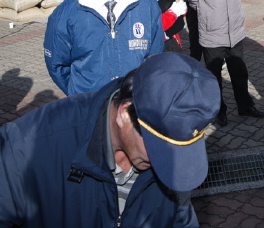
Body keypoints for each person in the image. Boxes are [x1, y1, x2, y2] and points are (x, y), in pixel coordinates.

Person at [0, 52, 220, 227]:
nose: (171, 163)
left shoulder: (175, 163)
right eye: (160, 148)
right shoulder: (28, 146)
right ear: (125, 114)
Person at [185, 0, 264, 126]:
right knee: (214, 77)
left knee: (239, 72)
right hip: (213, 34)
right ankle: (218, 111)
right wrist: (208, 13)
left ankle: (245, 106)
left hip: (235, 31)